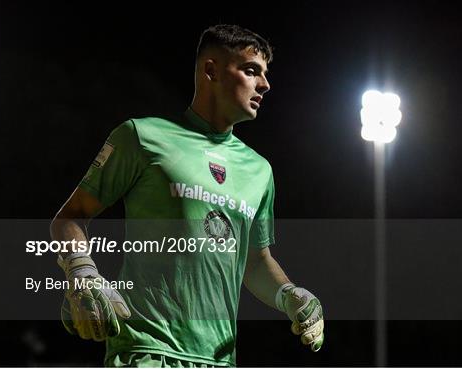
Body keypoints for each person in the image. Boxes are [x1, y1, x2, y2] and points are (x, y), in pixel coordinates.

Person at [50, 24, 324, 367]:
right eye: (251, 70)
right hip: (147, 352)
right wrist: (82, 270)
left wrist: (290, 295)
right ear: (210, 70)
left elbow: (254, 260)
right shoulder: (142, 136)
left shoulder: (259, 171)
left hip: (219, 359)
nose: (265, 85)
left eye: (265, 74)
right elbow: (70, 217)